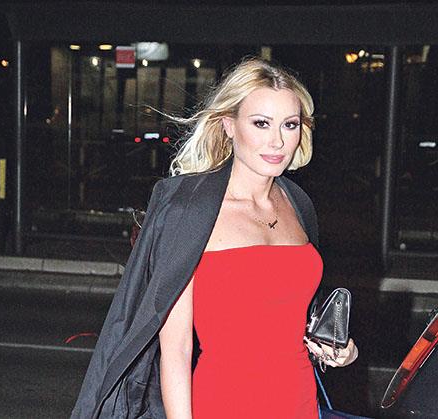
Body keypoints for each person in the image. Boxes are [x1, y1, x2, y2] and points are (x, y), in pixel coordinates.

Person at [71, 57, 358, 419]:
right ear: (228, 124)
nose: (277, 141)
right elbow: (176, 348)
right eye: (261, 123)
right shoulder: (191, 212)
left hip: (299, 402)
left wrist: (341, 349)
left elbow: (291, 315)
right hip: (224, 403)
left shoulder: (297, 203)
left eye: (290, 124)